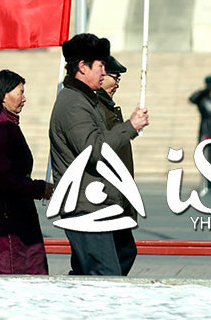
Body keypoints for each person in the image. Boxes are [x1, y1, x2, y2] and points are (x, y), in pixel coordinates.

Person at [49, 33, 149, 276]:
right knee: (104, 275)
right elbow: (93, 150)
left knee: (119, 255)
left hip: (99, 203)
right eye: (101, 65)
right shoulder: (74, 103)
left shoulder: (86, 99)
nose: (105, 72)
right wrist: (130, 127)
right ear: (82, 67)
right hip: (86, 207)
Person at [0, 69, 53, 274]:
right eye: (20, 92)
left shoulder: (6, 123)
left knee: (24, 264)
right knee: (4, 270)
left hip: (9, 204)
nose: (24, 99)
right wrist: (41, 189)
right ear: (3, 95)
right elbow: (4, 177)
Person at [94, 55, 137, 275]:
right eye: (115, 77)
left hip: (116, 194)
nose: (117, 84)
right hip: (104, 197)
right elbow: (100, 147)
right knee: (110, 259)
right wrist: (131, 126)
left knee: (123, 251)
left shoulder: (107, 106)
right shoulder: (95, 107)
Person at [188, 75, 211, 194]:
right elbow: (192, 99)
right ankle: (206, 184)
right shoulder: (203, 98)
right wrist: (205, 91)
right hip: (206, 132)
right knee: (205, 159)